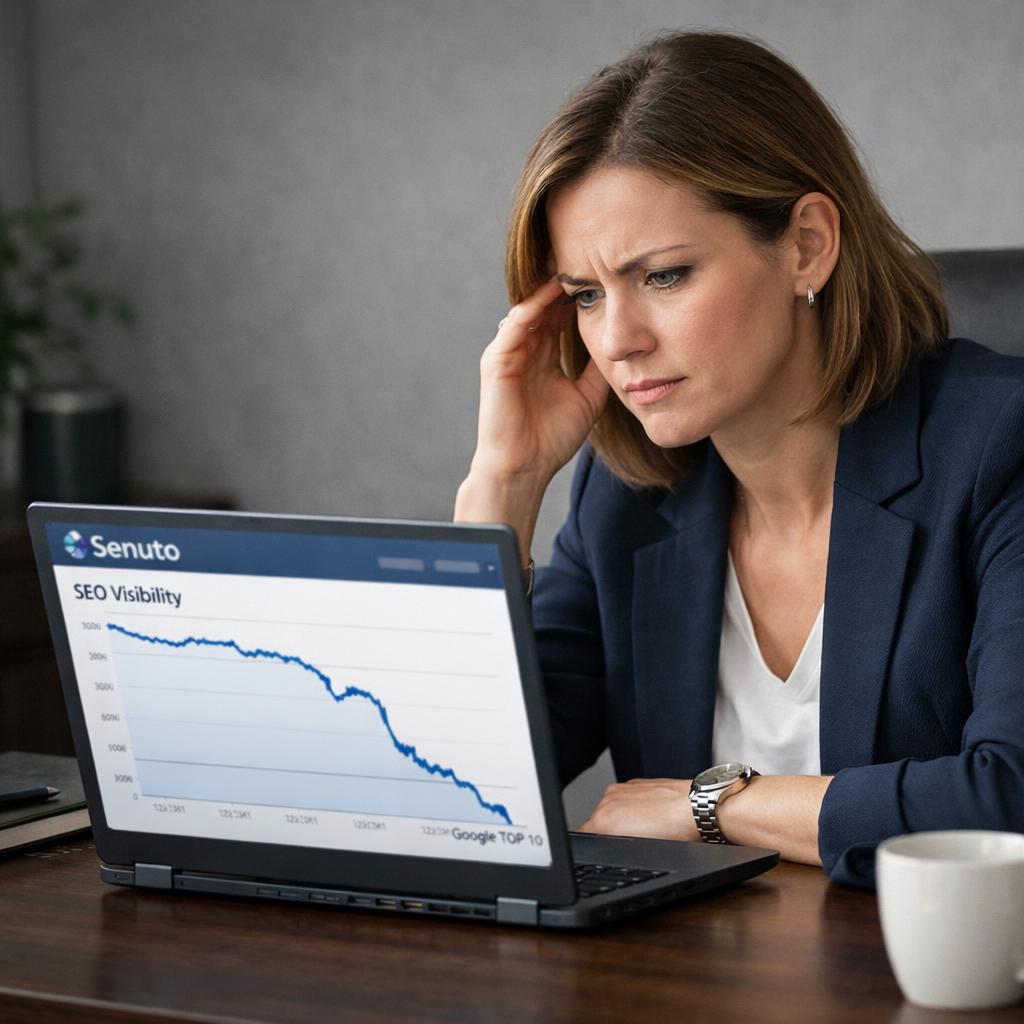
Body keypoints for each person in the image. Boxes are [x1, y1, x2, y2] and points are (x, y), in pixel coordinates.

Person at [454, 30, 1024, 887]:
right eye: (585, 295)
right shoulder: (630, 493)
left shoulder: (998, 446)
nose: (617, 341)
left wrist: (709, 805)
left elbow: (1008, 798)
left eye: (666, 276)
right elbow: (462, 786)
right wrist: (505, 485)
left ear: (806, 245)